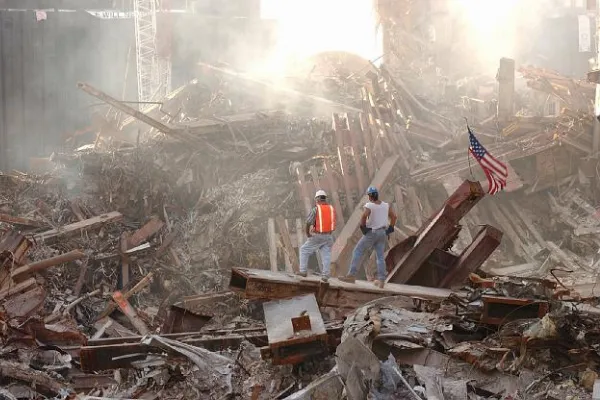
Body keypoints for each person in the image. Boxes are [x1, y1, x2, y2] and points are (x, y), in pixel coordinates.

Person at [339, 186, 397, 288]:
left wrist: (363, 228)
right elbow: (394, 217)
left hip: (372, 233)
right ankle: (382, 280)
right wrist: (391, 228)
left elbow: (363, 217)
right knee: (380, 257)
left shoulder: (370, 205)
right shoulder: (386, 205)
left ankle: (351, 275)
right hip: (383, 233)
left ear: (370, 196)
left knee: (357, 251)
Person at [297, 190, 336, 281]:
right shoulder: (331, 209)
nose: (316, 201)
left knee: (304, 250)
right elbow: (330, 223)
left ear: (318, 198)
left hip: (318, 236)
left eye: (316, 199)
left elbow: (308, 222)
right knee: (326, 255)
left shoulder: (316, 209)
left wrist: (308, 234)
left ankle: (303, 271)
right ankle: (325, 276)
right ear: (325, 198)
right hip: (329, 236)